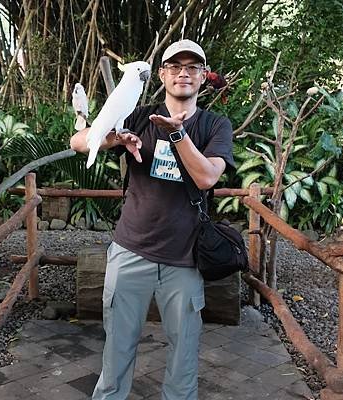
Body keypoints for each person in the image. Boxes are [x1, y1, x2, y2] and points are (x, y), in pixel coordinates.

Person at [70, 39, 235, 400]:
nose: (183, 74)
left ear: (203, 77)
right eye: (175, 67)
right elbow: (79, 140)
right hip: (131, 252)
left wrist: (176, 132)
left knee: (183, 355)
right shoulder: (139, 114)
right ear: (161, 75)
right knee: (117, 351)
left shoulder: (215, 126)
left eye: (192, 68)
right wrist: (113, 138)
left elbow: (207, 177)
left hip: (185, 260)